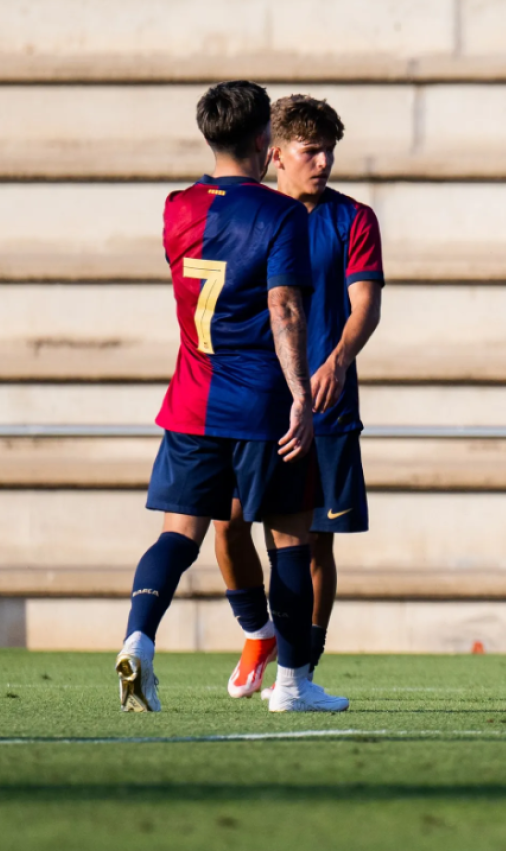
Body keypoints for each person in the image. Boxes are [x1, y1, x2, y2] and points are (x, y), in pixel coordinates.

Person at [116, 80, 346, 713]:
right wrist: (301, 395)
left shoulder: (176, 207)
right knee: (291, 542)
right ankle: (293, 686)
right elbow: (285, 309)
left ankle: (138, 640)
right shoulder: (280, 214)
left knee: (177, 537)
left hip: (191, 400)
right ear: (263, 140)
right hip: (261, 405)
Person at [213, 95, 384, 702]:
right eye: (311, 150)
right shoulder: (246, 215)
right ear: (276, 153)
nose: (325, 161)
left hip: (326, 406)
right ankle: (258, 631)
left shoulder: (354, 218)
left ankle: (301, 667)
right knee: (228, 523)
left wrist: (337, 358)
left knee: (314, 540)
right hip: (251, 401)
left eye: (330, 149)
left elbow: (366, 303)